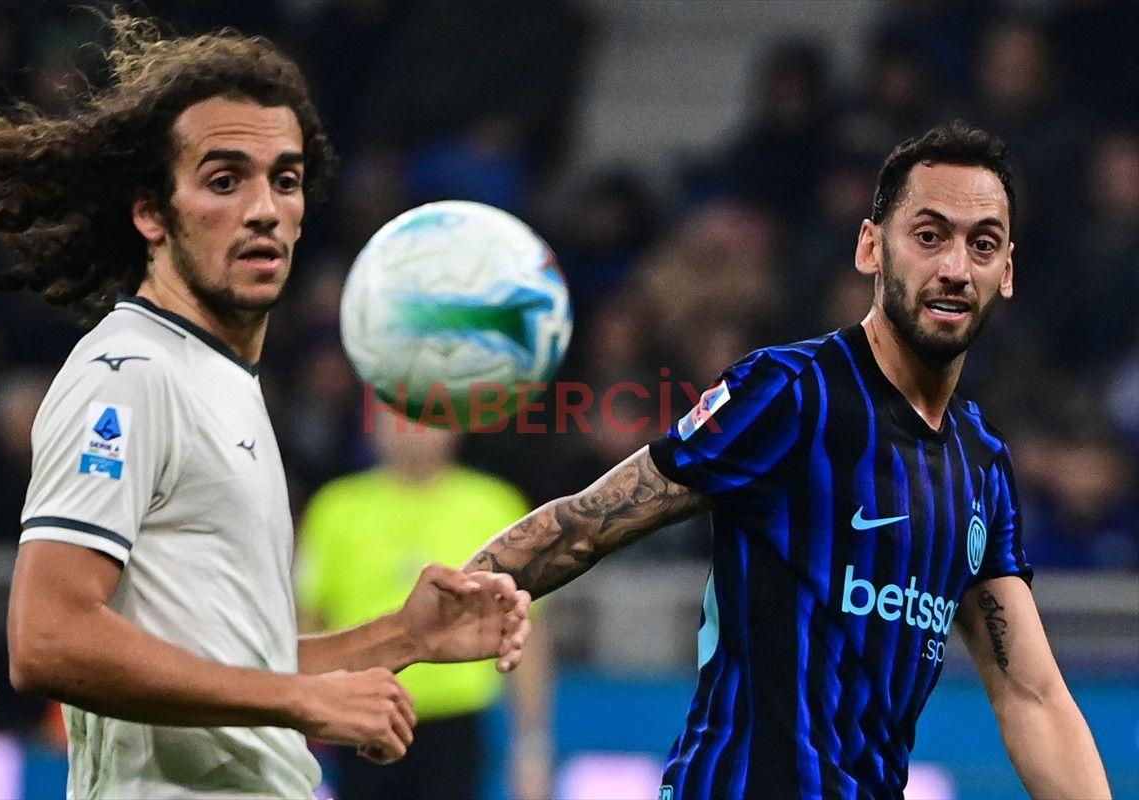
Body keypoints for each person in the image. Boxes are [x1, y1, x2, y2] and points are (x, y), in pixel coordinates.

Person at [0, 13, 532, 799]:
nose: (264, 209)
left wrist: (400, 636)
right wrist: (298, 701)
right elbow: (47, 638)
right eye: (225, 181)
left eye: (284, 180)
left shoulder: (220, 382)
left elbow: (233, 670)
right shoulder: (130, 373)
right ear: (152, 212)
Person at [467, 122, 1112, 799]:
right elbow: (586, 524)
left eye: (982, 244)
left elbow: (1031, 695)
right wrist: (411, 634)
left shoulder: (979, 463)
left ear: (1006, 271)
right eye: (929, 236)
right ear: (871, 247)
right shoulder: (791, 393)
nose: (955, 267)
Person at [297, 413, 553, 800]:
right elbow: (308, 620)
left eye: (424, 418)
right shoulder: (336, 507)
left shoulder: (493, 505)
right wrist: (299, 721)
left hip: (454, 720)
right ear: (373, 423)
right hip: (362, 710)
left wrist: (532, 745)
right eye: (397, 416)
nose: (413, 432)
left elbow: (527, 630)